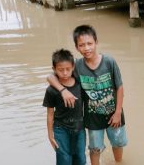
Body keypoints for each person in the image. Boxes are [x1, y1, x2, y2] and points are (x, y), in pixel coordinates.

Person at [47, 25, 127, 165]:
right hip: (92, 118)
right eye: (81, 45)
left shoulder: (109, 62)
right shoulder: (76, 66)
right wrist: (63, 90)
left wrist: (118, 111)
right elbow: (50, 77)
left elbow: (119, 87)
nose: (86, 48)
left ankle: (118, 162)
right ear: (77, 47)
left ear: (96, 42)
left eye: (89, 43)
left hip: (114, 113)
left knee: (118, 142)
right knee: (94, 148)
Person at [43, 49, 86, 165]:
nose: (65, 73)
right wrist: (50, 135)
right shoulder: (51, 90)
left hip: (79, 127)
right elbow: (50, 113)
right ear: (54, 69)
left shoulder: (80, 84)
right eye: (61, 70)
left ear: (73, 67)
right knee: (64, 160)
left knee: (81, 159)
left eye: (68, 69)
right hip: (60, 129)